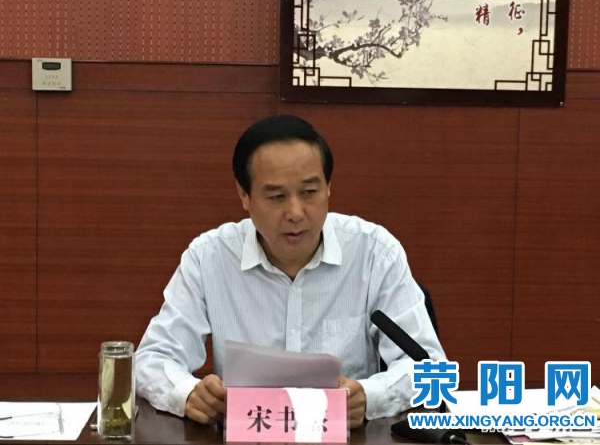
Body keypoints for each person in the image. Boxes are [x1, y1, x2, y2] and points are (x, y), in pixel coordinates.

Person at [135, 114, 446, 428]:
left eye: (309, 192)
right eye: (277, 197)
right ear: (244, 196)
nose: (295, 213)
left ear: (328, 188)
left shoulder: (374, 252)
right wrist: (188, 393)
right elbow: (153, 358)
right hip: (249, 432)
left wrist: (370, 396)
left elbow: (429, 367)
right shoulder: (209, 258)